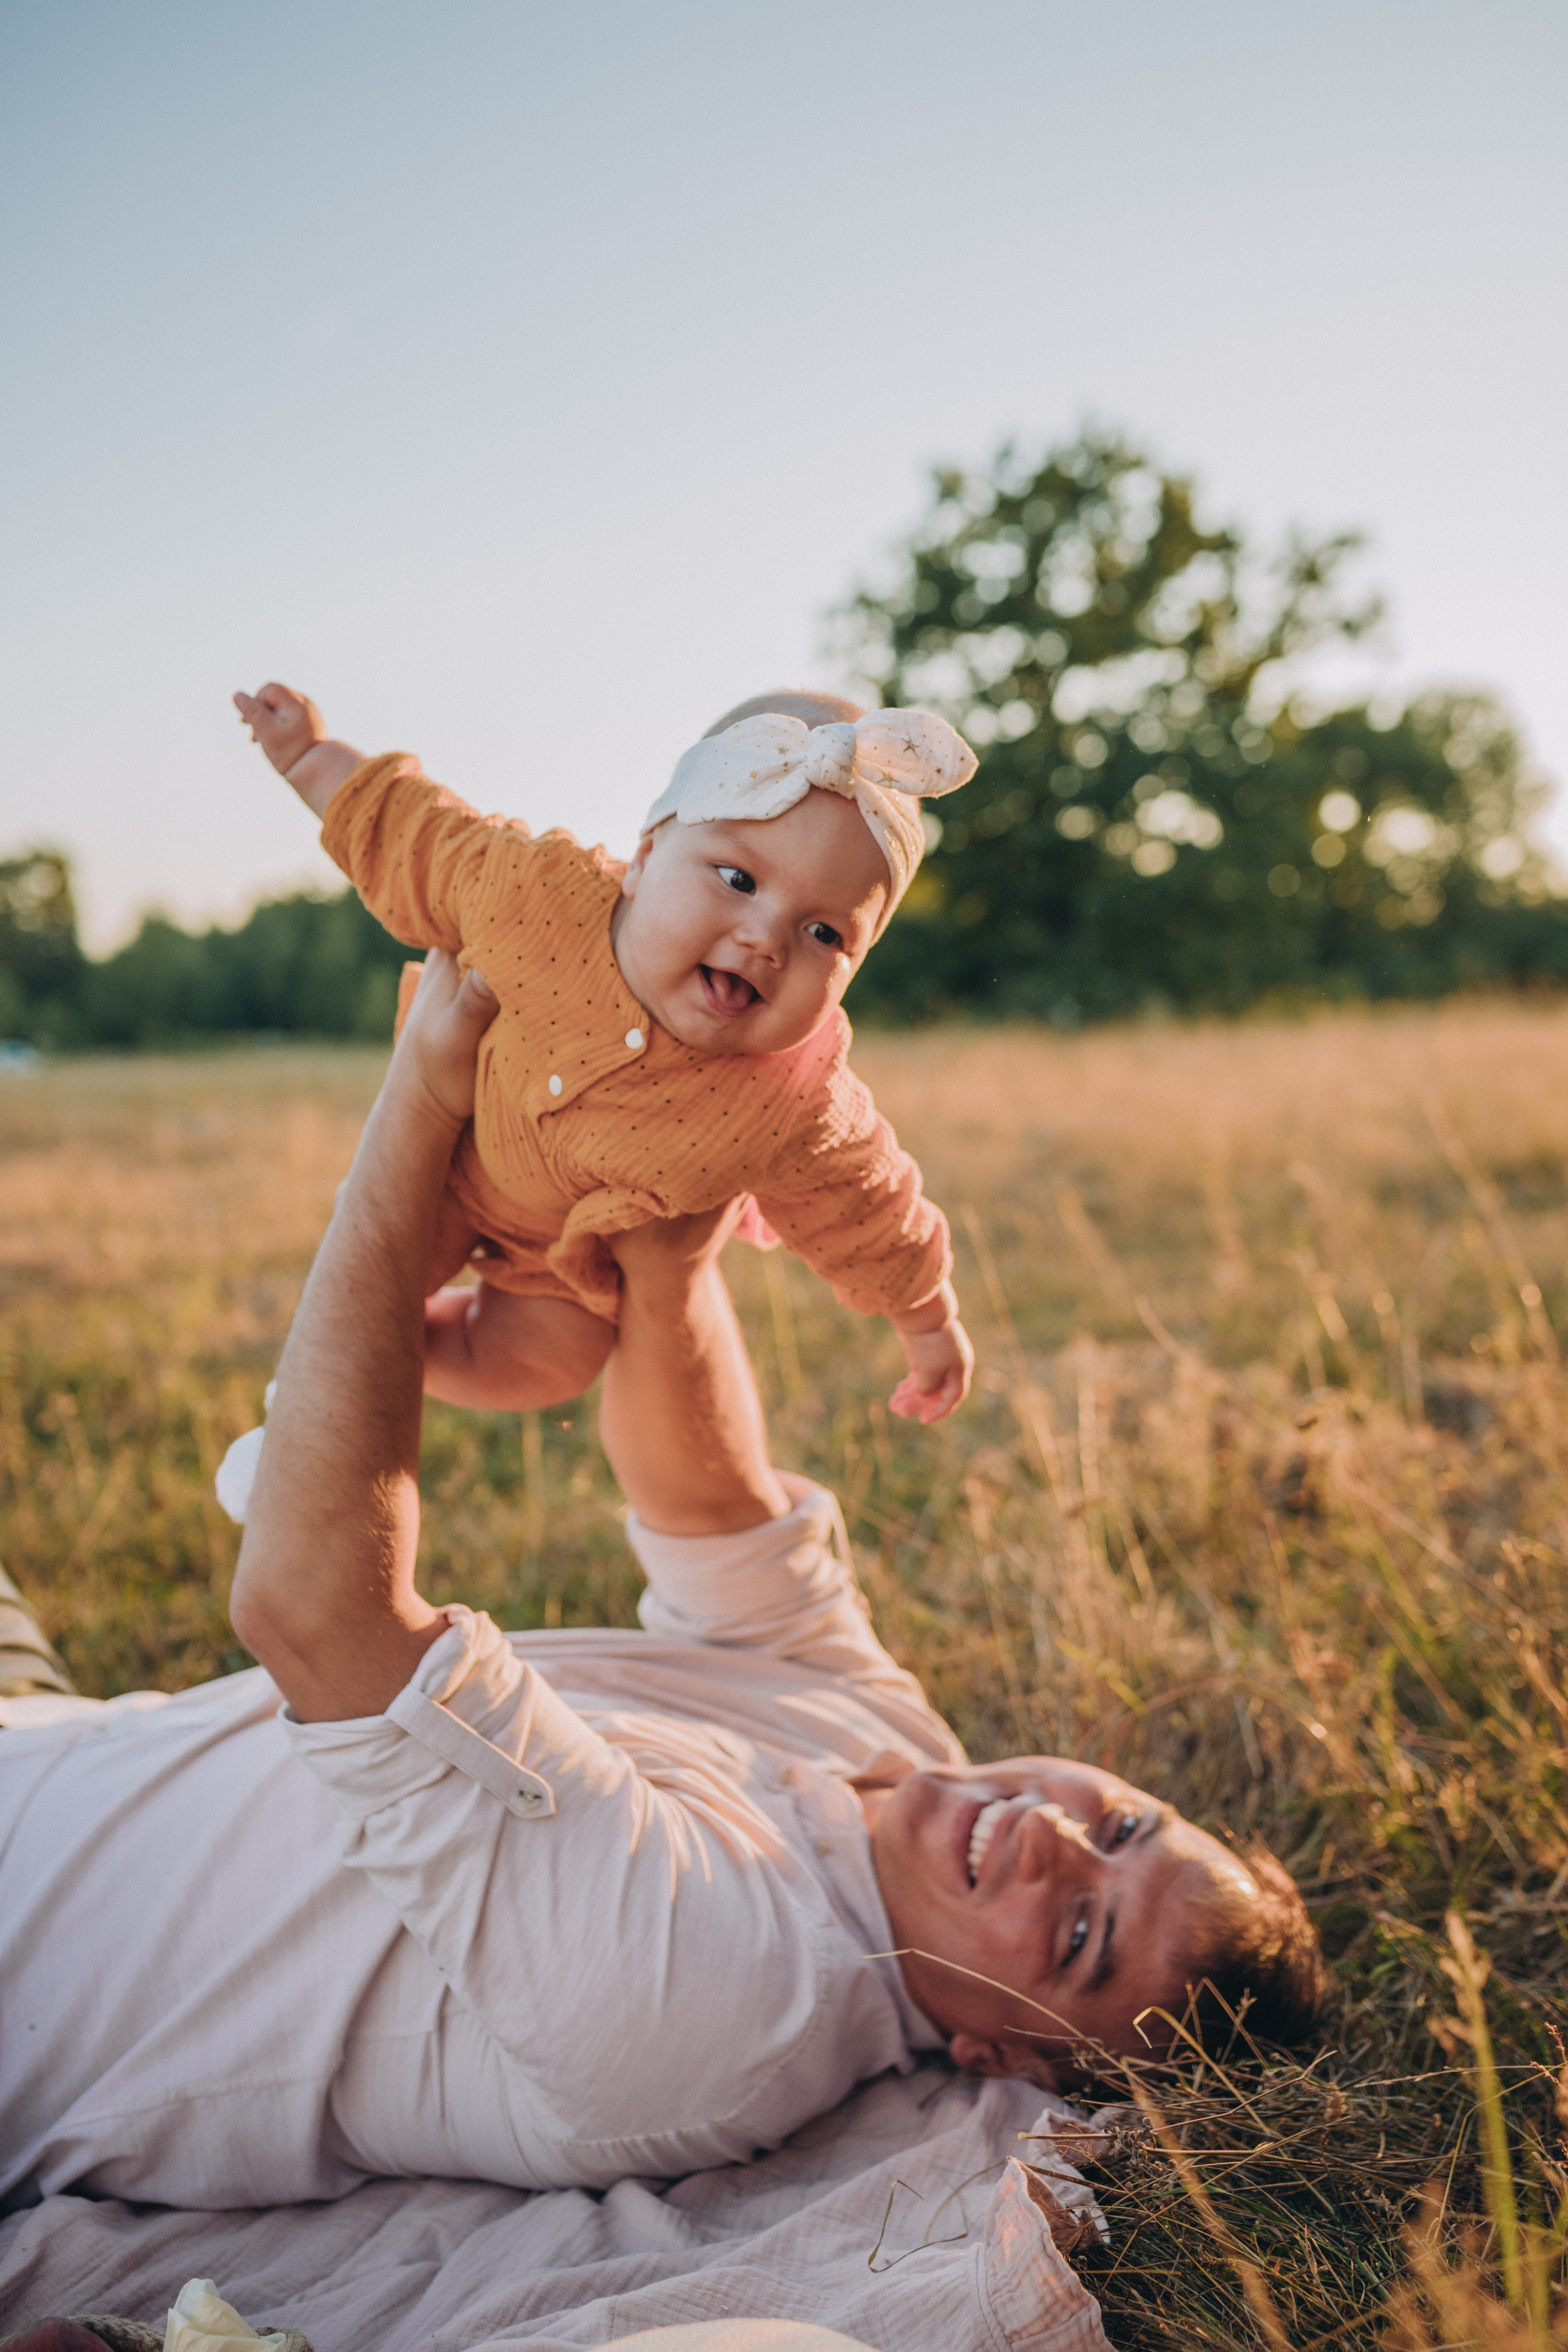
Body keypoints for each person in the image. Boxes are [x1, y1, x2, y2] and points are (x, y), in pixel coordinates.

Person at [0, 955, 1325, 2217]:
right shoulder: (891, 1751)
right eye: (1129, 1825)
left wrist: (416, 1108)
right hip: (52, 1737)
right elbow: (714, 1510)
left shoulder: (724, 1999)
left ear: (1006, 2062)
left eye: (1081, 1935)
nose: (1054, 1834)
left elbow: (315, 1606)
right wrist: (672, 1217)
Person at [232, 681, 976, 1423]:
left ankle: (405, 1357)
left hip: (561, 1258)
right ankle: (320, 1382)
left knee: (543, 1366)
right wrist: (309, 757)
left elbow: (868, 1206)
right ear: (648, 854)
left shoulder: (795, 1100)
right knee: (370, 1281)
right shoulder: (536, 895)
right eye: (739, 880)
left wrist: (927, 1321)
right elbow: (418, 833)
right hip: (445, 1166)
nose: (767, 938)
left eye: (825, 935)